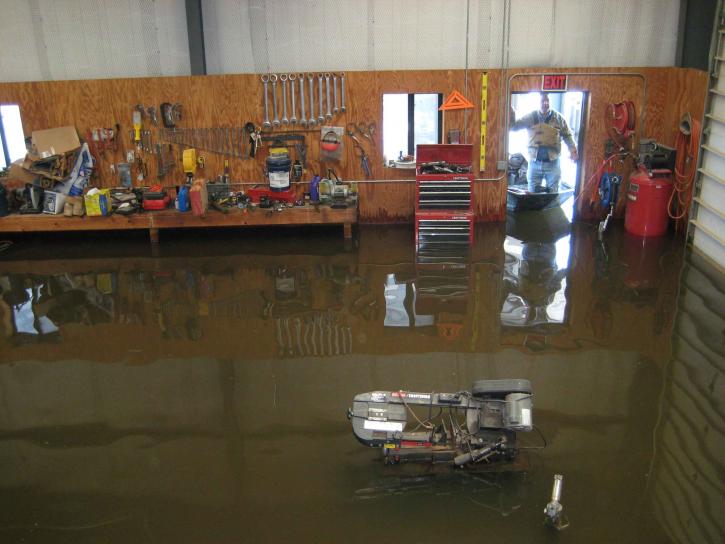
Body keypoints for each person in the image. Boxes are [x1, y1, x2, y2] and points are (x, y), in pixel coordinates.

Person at [510, 93, 578, 193]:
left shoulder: (559, 119)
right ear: (539, 102)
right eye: (543, 101)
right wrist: (511, 113)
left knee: (553, 193)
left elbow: (567, 135)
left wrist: (573, 150)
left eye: (547, 101)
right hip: (534, 163)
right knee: (532, 192)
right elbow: (514, 127)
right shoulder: (530, 117)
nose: (545, 103)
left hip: (553, 163)